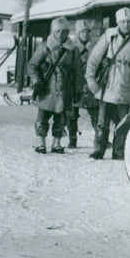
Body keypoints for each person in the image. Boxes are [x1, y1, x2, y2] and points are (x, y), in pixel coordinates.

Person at [85, 7, 130, 160]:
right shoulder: (109, 36)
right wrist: (90, 78)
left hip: (127, 83)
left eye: (129, 22)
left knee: (123, 120)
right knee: (102, 119)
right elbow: (94, 57)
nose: (126, 25)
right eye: (123, 22)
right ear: (118, 22)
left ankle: (119, 150)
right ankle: (99, 149)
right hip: (108, 82)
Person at [27, 16, 80, 154]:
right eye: (58, 31)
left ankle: (57, 142)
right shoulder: (45, 47)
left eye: (64, 31)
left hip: (64, 89)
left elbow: (78, 71)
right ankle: (40, 141)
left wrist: (77, 90)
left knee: (61, 117)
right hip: (47, 88)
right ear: (53, 32)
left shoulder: (73, 50)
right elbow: (32, 66)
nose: (61, 34)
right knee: (43, 116)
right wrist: (36, 82)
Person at [67, 19, 99, 148]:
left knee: (95, 113)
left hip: (91, 85)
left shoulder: (96, 47)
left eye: (88, 31)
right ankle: (72, 139)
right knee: (72, 115)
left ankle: (99, 139)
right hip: (76, 85)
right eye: (83, 31)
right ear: (78, 33)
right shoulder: (72, 48)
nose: (85, 34)